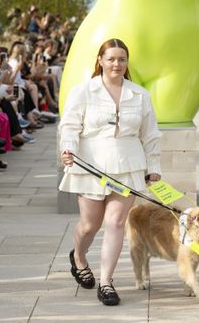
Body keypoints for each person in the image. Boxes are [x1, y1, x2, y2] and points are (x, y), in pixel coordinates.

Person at [59, 38, 161, 306]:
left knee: (116, 223)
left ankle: (107, 282)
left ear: (127, 63)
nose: (117, 64)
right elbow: (69, 125)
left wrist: (154, 167)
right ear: (100, 61)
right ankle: (79, 257)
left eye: (122, 59)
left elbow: (150, 134)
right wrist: (67, 149)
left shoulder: (140, 94)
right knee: (90, 225)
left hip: (127, 164)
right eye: (112, 59)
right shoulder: (83, 91)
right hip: (90, 164)